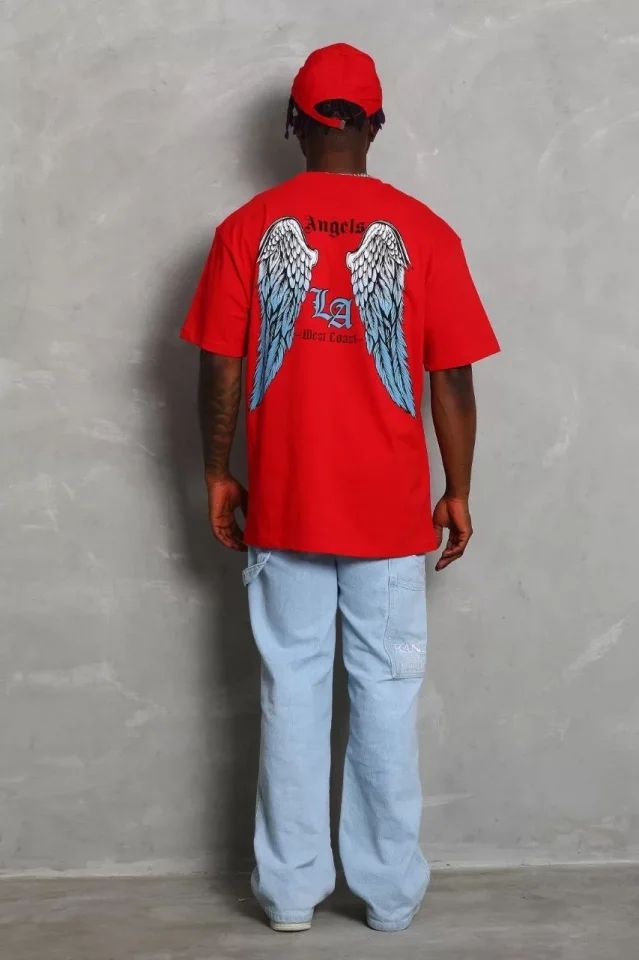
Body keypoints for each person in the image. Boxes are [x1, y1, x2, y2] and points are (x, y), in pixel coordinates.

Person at [179, 42, 500, 934]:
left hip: (284, 509)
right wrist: (457, 487)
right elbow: (450, 375)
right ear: (375, 124)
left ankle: (287, 896)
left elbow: (220, 363)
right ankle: (388, 898)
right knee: (385, 698)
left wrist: (217, 472)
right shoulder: (424, 233)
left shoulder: (248, 230)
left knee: (291, 692)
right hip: (389, 518)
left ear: (295, 123)